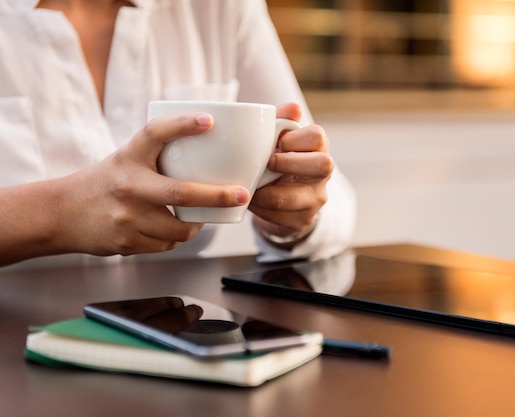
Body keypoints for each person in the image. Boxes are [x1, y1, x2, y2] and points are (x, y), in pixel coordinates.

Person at [0, 0, 357, 268]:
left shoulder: (221, 6)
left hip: (184, 327)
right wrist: (60, 213)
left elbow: (331, 195)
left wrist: (288, 214)